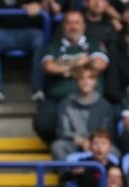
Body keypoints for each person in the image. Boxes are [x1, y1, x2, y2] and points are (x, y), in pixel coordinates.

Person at [33, 12, 110, 145]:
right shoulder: (53, 46)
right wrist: (79, 63)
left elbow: (100, 64)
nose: (73, 27)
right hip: (57, 99)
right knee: (42, 122)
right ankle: (60, 146)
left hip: (90, 100)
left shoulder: (94, 43)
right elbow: (49, 67)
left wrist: (64, 67)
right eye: (69, 23)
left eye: (77, 23)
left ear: (84, 26)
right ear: (64, 26)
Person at [50, 65, 116, 161]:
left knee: (115, 152)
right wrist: (81, 141)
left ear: (95, 82)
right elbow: (63, 131)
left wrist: (93, 143)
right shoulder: (66, 103)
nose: (86, 82)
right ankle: (71, 170)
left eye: (90, 78)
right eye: (81, 78)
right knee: (57, 146)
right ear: (76, 81)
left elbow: (106, 131)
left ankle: (102, 170)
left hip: (97, 143)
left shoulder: (104, 105)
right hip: (74, 143)